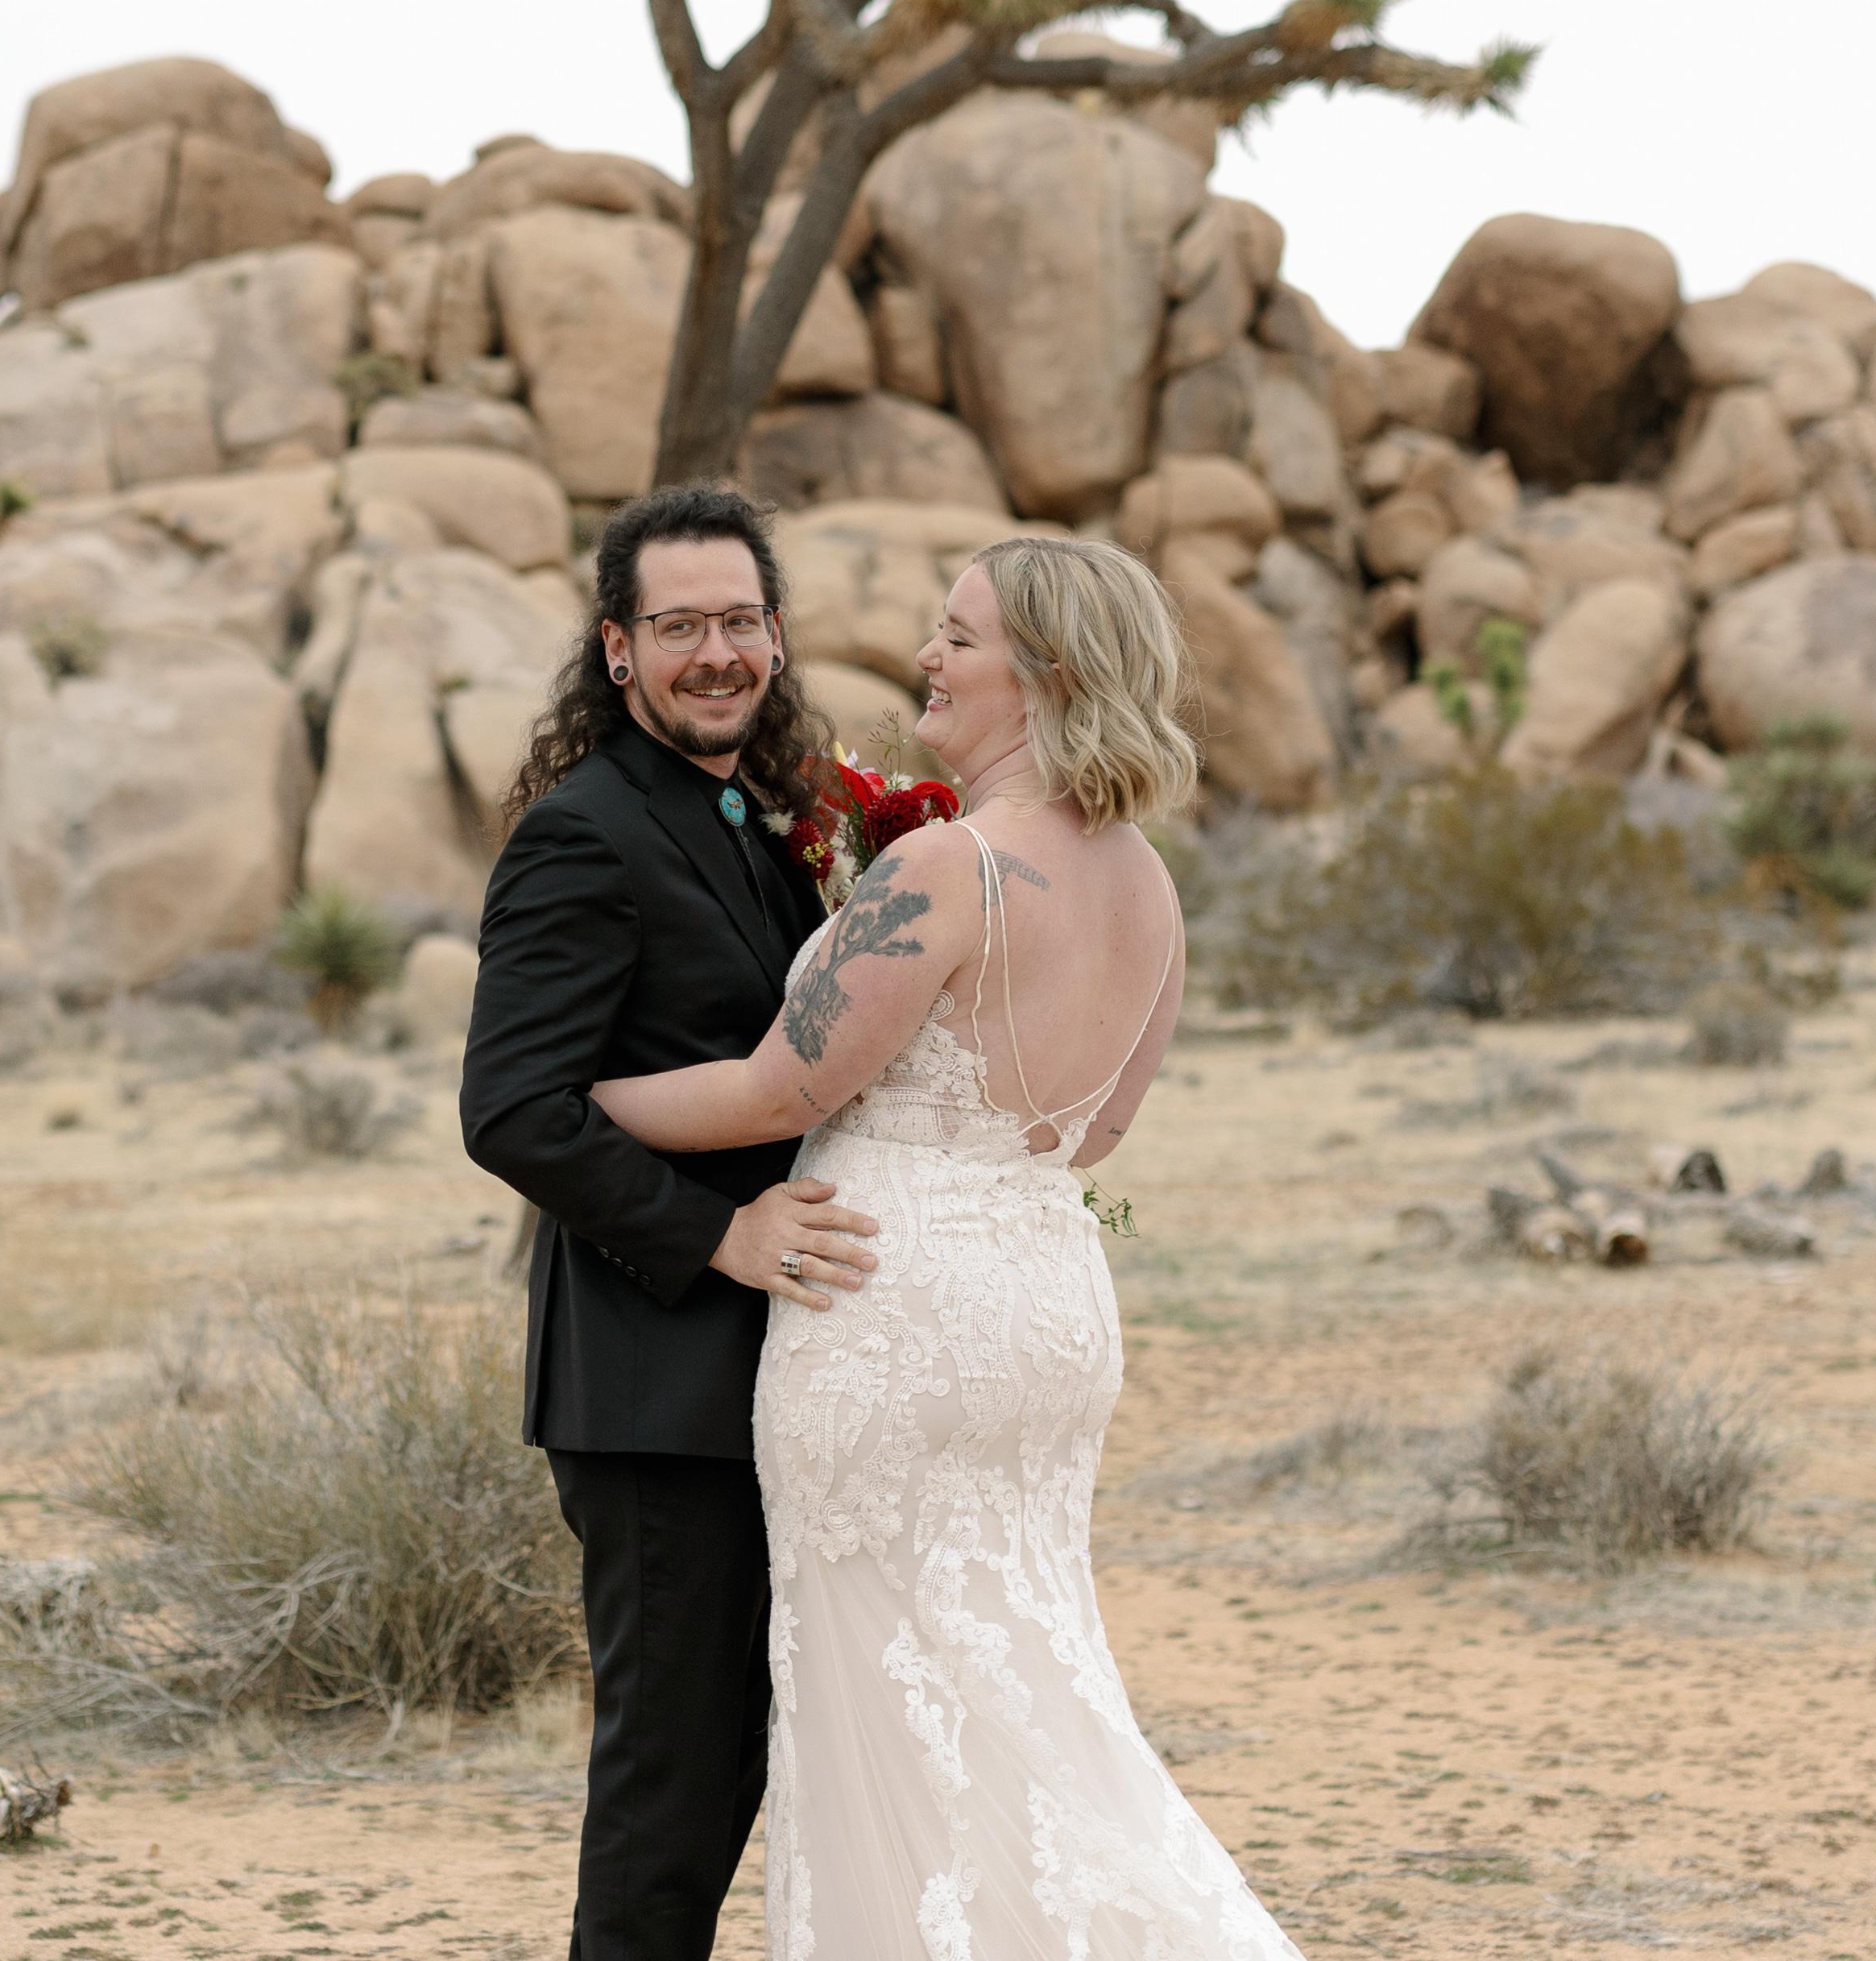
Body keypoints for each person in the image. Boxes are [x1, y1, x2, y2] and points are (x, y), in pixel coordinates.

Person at [590, 533, 1302, 1960]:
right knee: (1028, 1683)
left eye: (958, 636)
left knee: (894, 1708)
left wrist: (579, 1101)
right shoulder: (1148, 884)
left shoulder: (946, 867)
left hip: (890, 1305)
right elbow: (1095, 1136)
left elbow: (781, 1089)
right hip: (1046, 1305)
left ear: (1043, 674)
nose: (927, 655)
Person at [458, 486, 887, 1961]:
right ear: (619, 647)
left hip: (763, 1375)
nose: (718, 653)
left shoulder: (758, 813)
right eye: (681, 624)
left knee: (736, 1768)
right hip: (652, 1390)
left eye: (741, 620)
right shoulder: (582, 835)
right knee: (672, 1791)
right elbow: (511, 1108)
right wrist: (718, 1236)